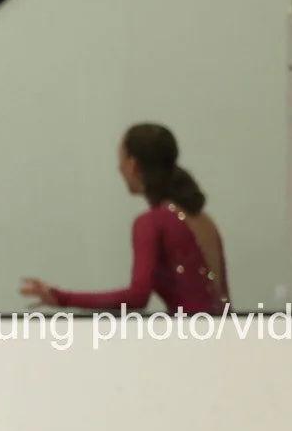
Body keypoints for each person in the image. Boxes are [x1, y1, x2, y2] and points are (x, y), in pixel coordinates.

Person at [21, 123, 229, 314]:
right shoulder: (203, 219)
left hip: (191, 335)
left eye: (121, 160)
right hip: (225, 331)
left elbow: (137, 297)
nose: (119, 168)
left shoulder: (152, 223)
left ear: (133, 165)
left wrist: (62, 298)